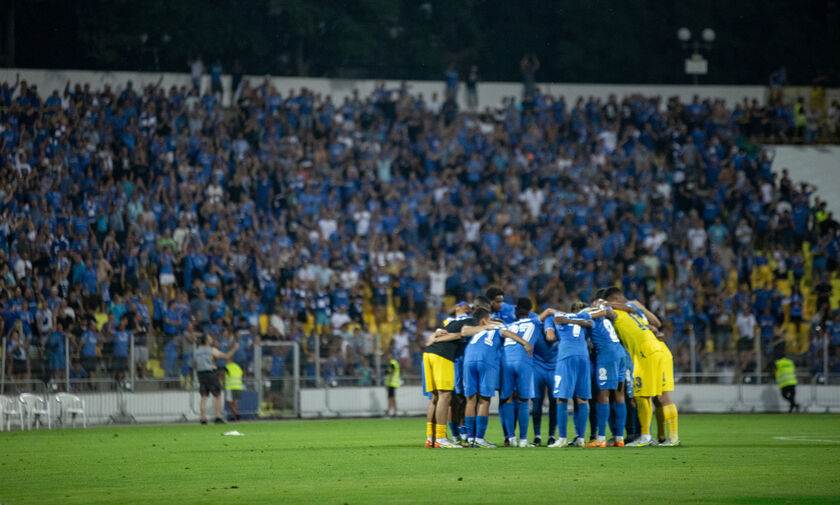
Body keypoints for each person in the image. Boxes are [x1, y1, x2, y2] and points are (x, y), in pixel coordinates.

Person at [604, 287, 677, 447]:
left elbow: (607, 310)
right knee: (661, 396)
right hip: (661, 349)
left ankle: (645, 436)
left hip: (646, 352)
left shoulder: (619, 312)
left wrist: (602, 304)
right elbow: (655, 327)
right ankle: (667, 437)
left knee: (641, 395)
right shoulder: (636, 315)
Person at [423, 306, 495, 448]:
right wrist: (487, 327)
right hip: (442, 356)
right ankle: (441, 438)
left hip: (428, 354)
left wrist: (436, 337)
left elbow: (433, 337)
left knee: (435, 397)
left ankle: (430, 438)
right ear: (483, 320)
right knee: (445, 396)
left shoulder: (452, 322)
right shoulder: (472, 322)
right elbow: (461, 333)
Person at [462, 307, 532, 447]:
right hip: (486, 360)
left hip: (468, 360)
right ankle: (480, 438)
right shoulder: (498, 327)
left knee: (470, 400)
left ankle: (470, 437)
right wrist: (524, 343)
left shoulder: (478, 329)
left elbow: (464, 331)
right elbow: (506, 332)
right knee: (484, 400)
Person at [546, 305, 597, 448]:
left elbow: (550, 336)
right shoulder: (585, 317)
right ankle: (581, 438)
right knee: (582, 398)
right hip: (583, 355)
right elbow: (590, 326)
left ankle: (562, 438)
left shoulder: (554, 317)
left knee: (561, 398)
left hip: (566, 355)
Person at [582, 299, 627, 447]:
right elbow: (611, 313)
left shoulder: (589, 315)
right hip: (621, 352)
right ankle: (619, 438)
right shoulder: (606, 315)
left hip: (607, 355)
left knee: (603, 395)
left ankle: (601, 438)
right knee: (619, 395)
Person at [499, 297, 541, 447]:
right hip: (523, 361)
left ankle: (511, 437)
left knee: (508, 398)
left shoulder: (510, 325)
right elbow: (548, 314)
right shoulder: (535, 322)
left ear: (517, 310)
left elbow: (502, 331)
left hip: (506, 360)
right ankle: (523, 440)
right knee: (524, 400)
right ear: (530, 310)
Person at [194, 332, 239, 424]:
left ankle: (203, 418)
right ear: (206, 340)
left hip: (201, 374)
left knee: (204, 396)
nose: (212, 339)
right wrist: (234, 348)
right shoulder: (211, 350)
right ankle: (217, 417)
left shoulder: (197, 350)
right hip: (211, 373)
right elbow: (226, 356)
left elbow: (195, 364)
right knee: (217, 395)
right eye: (210, 338)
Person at [225, 356, 244, 421]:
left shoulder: (227, 367)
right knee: (235, 402)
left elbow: (223, 375)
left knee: (229, 402)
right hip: (238, 386)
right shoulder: (237, 367)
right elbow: (241, 374)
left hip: (230, 386)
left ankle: (236, 414)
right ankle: (234, 416)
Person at [384, 351, 401, 417]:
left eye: (388, 355)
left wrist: (388, 384)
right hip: (393, 383)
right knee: (392, 398)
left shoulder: (392, 363)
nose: (386, 357)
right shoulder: (393, 363)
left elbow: (391, 373)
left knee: (390, 398)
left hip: (391, 383)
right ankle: (395, 412)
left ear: (390, 355)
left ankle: (388, 412)